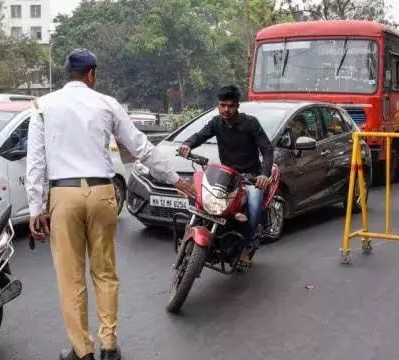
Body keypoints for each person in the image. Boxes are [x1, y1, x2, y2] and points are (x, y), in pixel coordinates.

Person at [26, 49, 190, 360]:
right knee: (105, 273)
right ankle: (110, 346)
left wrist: (36, 208)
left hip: (64, 194)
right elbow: (140, 146)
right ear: (92, 74)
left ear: (68, 74)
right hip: (103, 193)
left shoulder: (43, 106)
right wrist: (175, 179)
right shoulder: (106, 103)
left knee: (70, 277)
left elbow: (36, 162)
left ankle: (82, 350)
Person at [179, 85, 274, 266]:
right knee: (201, 201)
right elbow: (200, 136)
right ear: (218, 105)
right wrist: (187, 144)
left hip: (250, 178)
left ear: (237, 106)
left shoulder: (250, 123)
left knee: (253, 211)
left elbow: (267, 149)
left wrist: (264, 175)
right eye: (222, 105)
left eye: (230, 106)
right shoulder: (216, 123)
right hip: (226, 177)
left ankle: (246, 247)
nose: (226, 110)